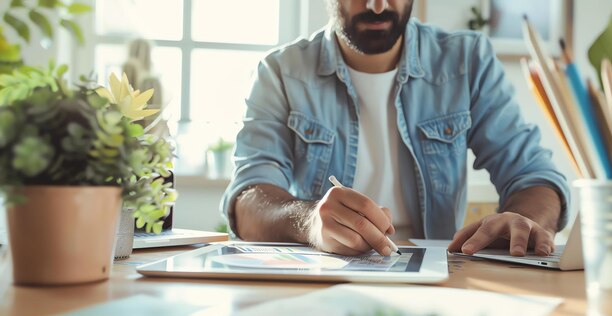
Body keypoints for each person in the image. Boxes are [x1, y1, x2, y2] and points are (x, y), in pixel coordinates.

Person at [220, 0, 570, 258]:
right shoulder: (281, 71)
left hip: (444, 278)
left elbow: (535, 176)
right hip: (320, 273)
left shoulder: (467, 60)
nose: (377, 6)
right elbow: (249, 198)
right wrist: (309, 222)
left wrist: (523, 222)